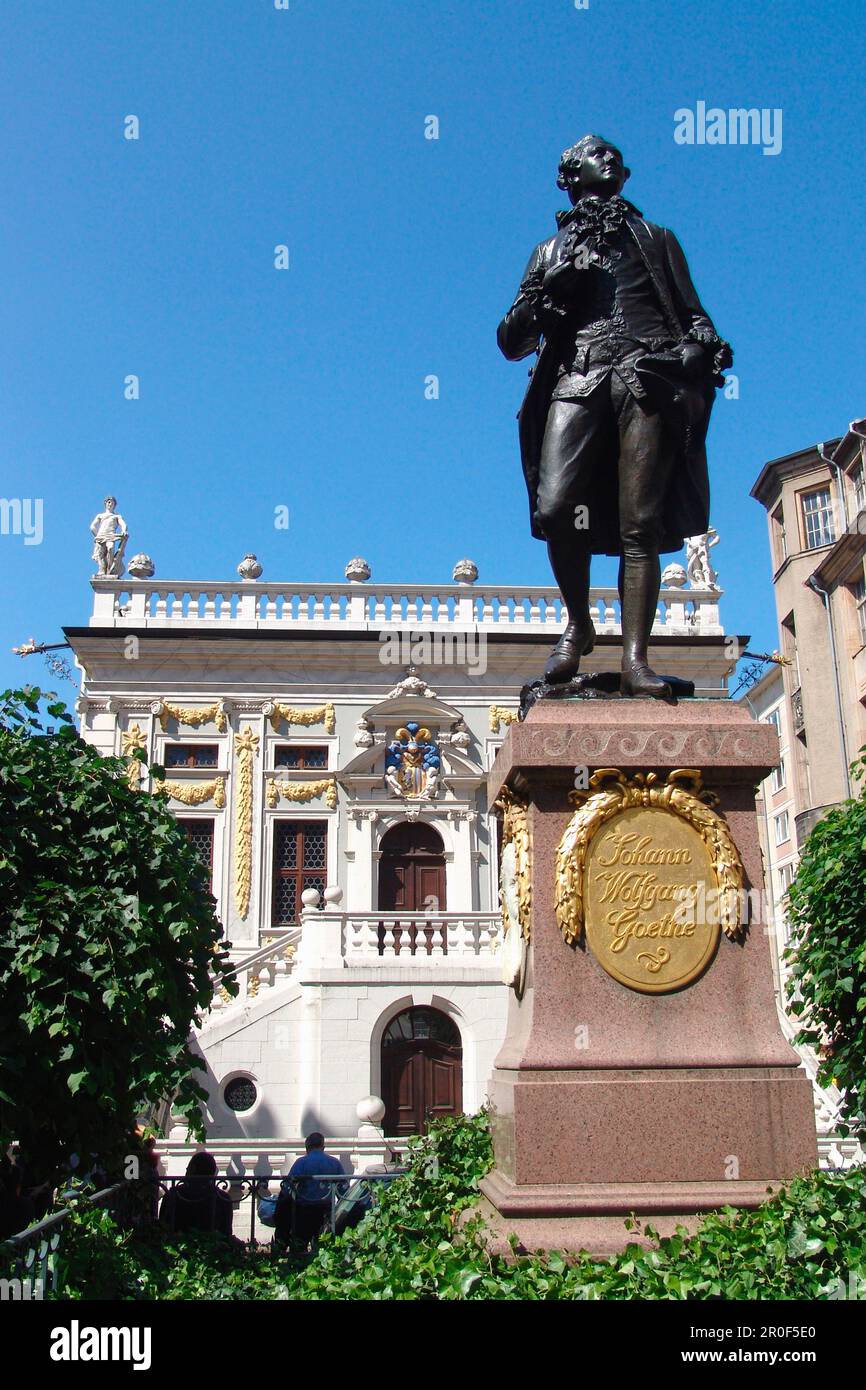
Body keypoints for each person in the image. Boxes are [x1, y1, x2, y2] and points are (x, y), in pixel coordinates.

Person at [498, 135, 731, 697]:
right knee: (555, 508)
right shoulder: (549, 250)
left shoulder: (656, 238)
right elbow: (510, 340)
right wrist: (548, 293)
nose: (611, 160)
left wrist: (700, 347)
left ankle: (634, 660)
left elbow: (696, 317)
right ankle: (578, 621)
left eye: (615, 156)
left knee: (640, 524)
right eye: (596, 155)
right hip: (577, 377)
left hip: (645, 377)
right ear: (571, 176)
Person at [275, 1133, 347, 1250]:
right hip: (326, 1211)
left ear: (307, 1148)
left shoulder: (301, 1163)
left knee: (299, 1246)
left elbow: (287, 1187)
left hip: (304, 1211)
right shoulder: (334, 1163)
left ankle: (296, 1261)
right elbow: (343, 1191)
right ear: (323, 1147)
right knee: (323, 1247)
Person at [158, 1151, 233, 1239]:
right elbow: (226, 1232)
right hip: (212, 1248)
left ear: (192, 1169)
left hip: (179, 1246)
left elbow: (163, 1226)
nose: (186, 1169)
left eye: (188, 1167)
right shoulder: (223, 1198)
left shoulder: (174, 1194)